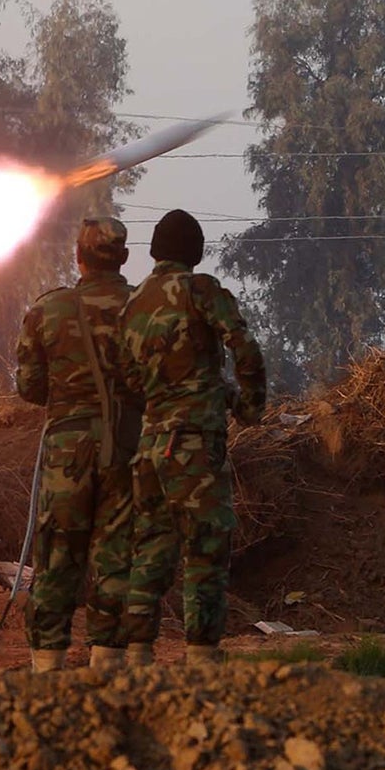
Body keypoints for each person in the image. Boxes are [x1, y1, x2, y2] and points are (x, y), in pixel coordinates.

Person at [119, 208, 268, 667]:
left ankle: (136, 654)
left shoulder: (134, 304)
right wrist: (248, 405)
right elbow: (243, 346)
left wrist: (165, 402)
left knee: (151, 550)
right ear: (196, 253)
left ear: (154, 251)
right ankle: (201, 656)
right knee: (204, 549)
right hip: (195, 448)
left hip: (150, 450)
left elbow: (128, 377)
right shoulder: (200, 290)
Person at [12, 216, 145, 671]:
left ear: (79, 257)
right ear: (124, 257)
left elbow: (30, 388)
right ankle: (108, 664)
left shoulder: (49, 310)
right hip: (127, 448)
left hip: (67, 452)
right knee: (116, 557)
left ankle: (47, 667)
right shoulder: (144, 308)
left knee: (57, 556)